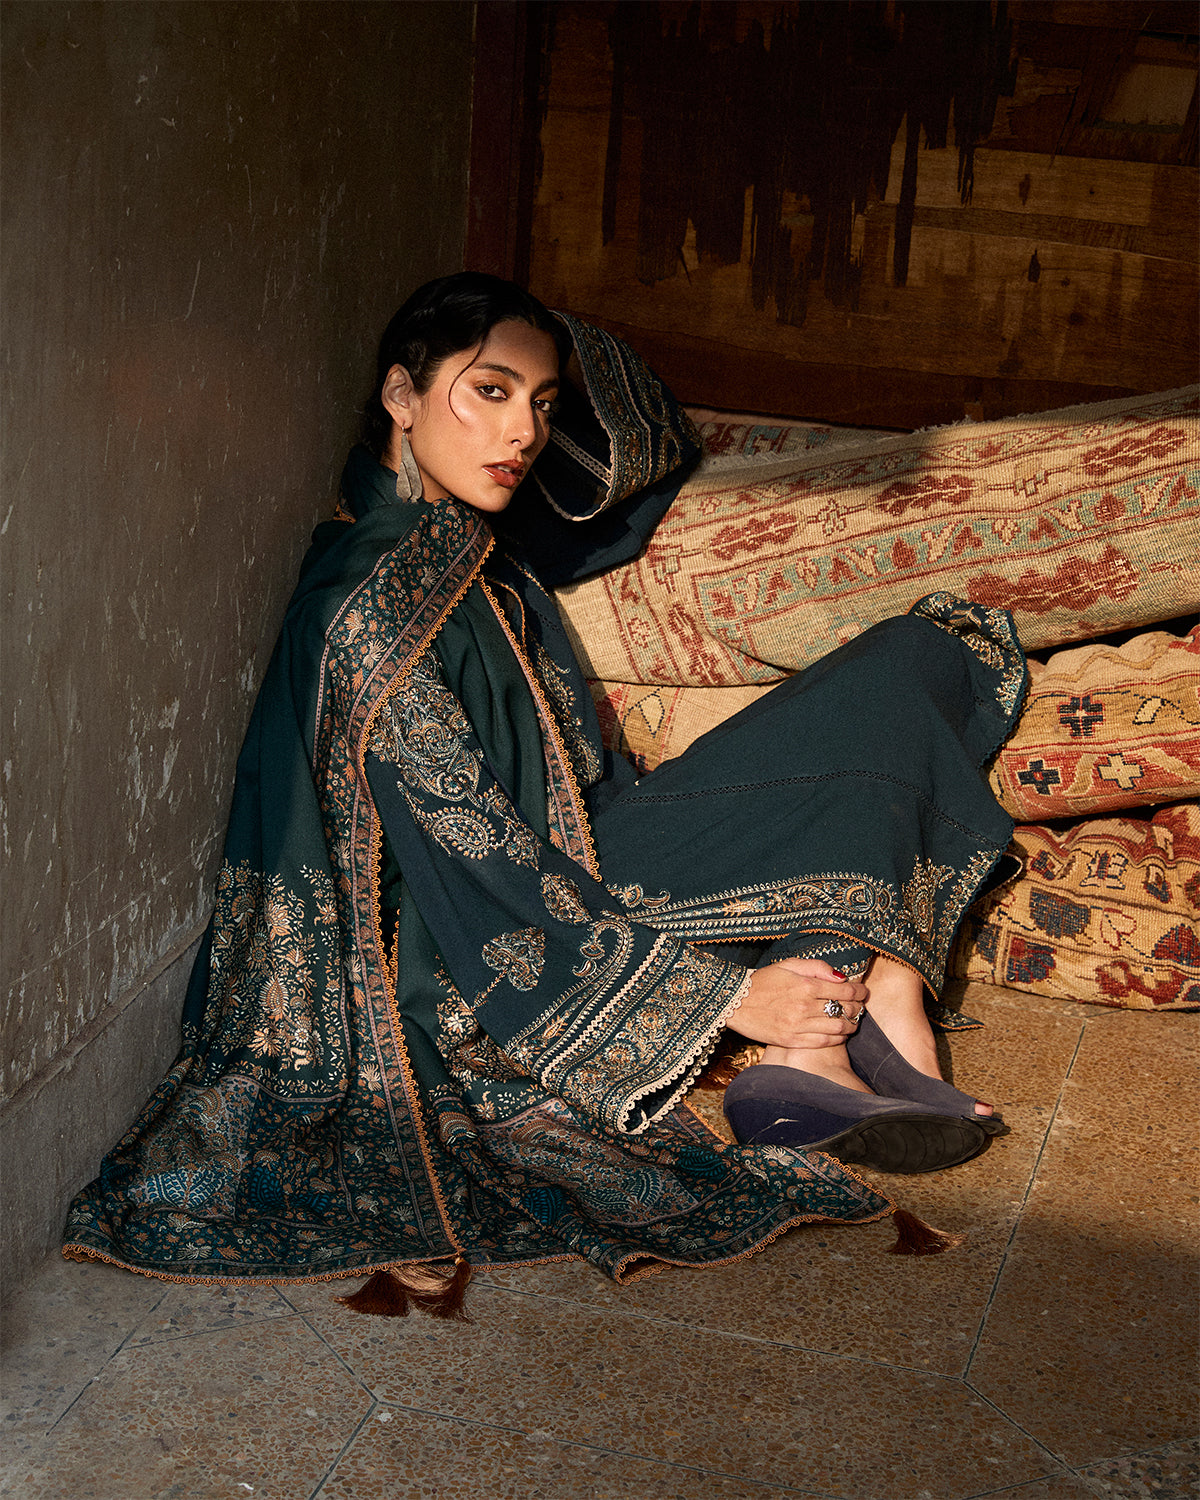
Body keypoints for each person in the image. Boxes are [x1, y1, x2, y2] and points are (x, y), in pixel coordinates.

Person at [65, 273, 1024, 1314]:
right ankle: (821, 1038)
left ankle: (877, 984)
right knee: (875, 729)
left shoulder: (466, 538)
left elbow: (648, 439)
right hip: (508, 928)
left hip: (595, 837)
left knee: (916, 658)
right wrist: (727, 997)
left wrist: (535, 341)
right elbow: (476, 855)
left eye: (543, 402)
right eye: (488, 391)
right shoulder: (369, 603)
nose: (522, 433)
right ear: (400, 395)